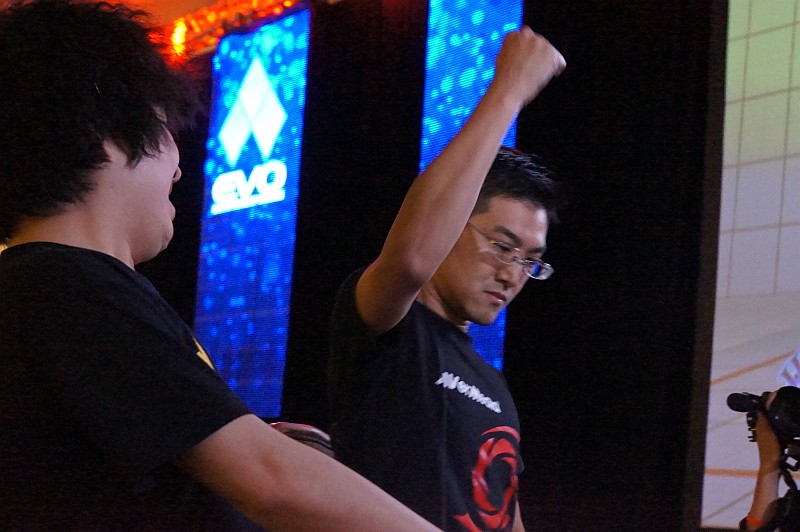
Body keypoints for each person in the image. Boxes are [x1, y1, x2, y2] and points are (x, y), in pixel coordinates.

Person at [0, 1, 442, 530]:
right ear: (107, 134)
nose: (179, 165)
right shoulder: (67, 287)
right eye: (163, 128)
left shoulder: (51, 289)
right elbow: (274, 483)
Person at [327, 27, 566, 531]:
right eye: (502, 246)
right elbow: (414, 260)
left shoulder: (495, 387)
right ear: (455, 224)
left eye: (529, 261)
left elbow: (507, 517)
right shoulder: (388, 328)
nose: (512, 274)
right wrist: (509, 90)